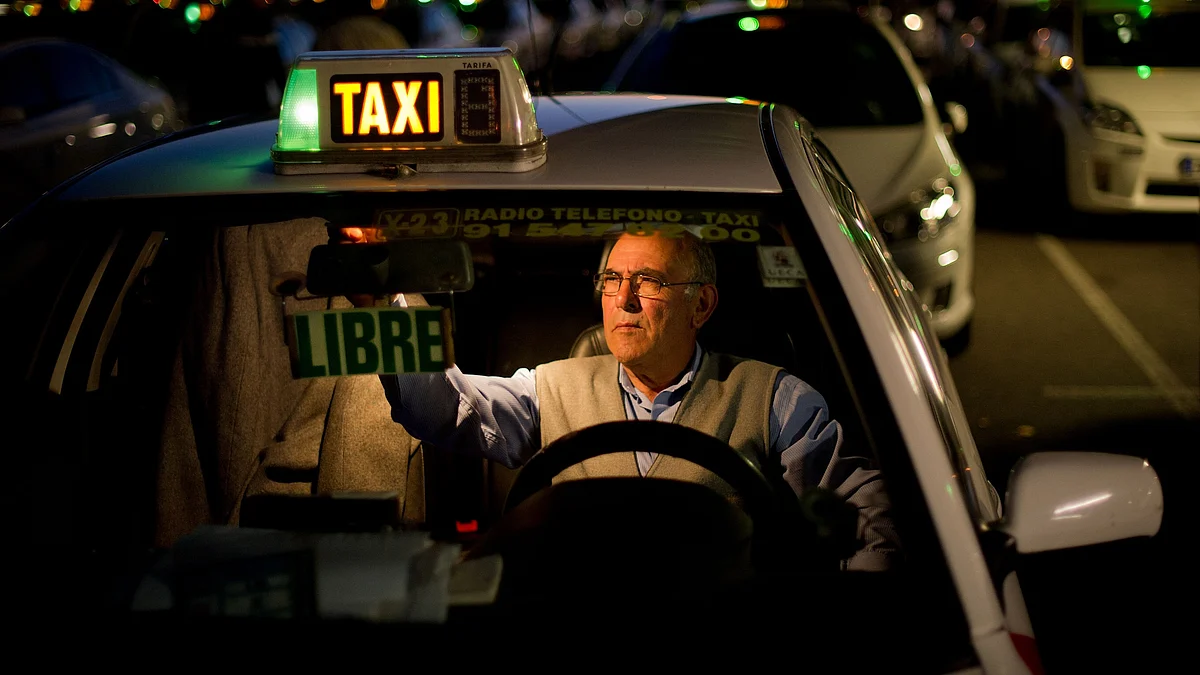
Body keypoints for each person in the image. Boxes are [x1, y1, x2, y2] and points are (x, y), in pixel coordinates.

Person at [350, 227, 900, 571]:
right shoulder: (552, 387)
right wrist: (385, 302)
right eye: (612, 279)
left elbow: (867, 516)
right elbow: (446, 407)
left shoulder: (775, 398)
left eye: (649, 281)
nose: (625, 300)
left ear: (702, 305)